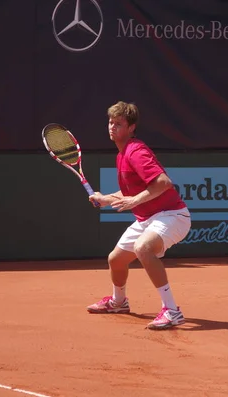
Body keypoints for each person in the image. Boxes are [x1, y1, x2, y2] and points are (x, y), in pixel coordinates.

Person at [86, 101, 191, 330]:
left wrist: (134, 201)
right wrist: (106, 198)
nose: (112, 128)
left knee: (143, 248)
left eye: (119, 124)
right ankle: (119, 302)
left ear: (131, 127)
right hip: (148, 218)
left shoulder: (136, 151)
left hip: (171, 215)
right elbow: (129, 191)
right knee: (116, 260)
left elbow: (163, 183)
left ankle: (172, 311)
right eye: (111, 123)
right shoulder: (122, 154)